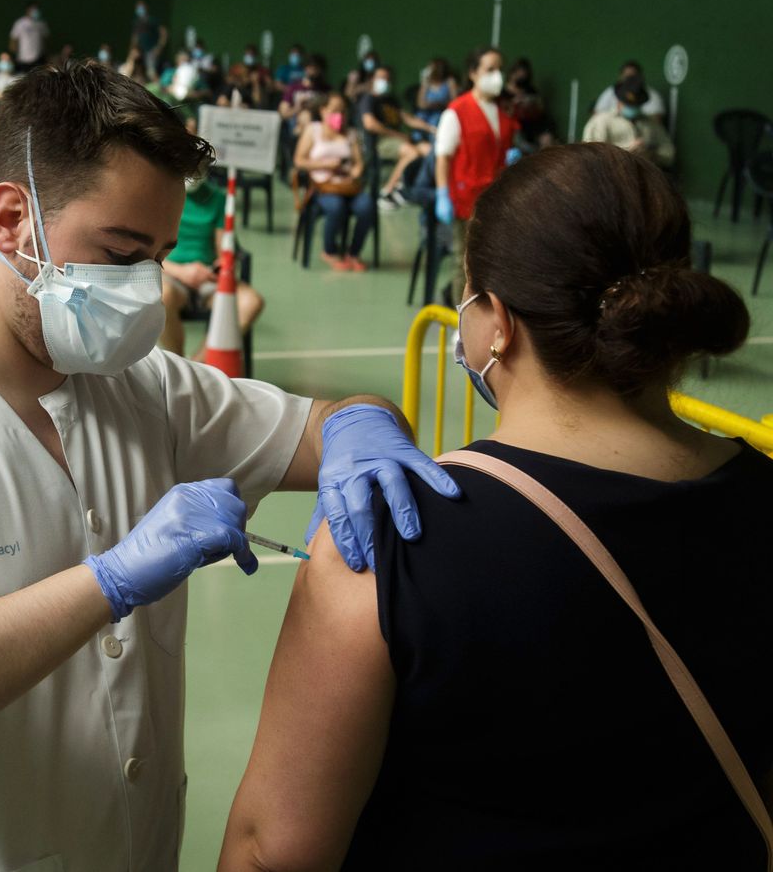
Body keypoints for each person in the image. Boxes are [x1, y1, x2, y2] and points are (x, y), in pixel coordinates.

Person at [0, 60, 460, 871]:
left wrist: (365, 422)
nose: (144, 287)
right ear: (12, 217)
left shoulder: (144, 388)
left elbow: (320, 425)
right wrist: (110, 580)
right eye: (120, 251)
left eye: (157, 256)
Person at [218, 143, 771, 871]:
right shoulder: (759, 489)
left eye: (468, 293)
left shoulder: (385, 545)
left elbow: (272, 851)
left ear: (497, 323)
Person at [435, 46, 518, 299]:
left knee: (493, 262)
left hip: (496, 197)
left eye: (500, 69)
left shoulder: (502, 114)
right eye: (490, 69)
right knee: (466, 262)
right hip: (466, 197)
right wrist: (442, 193)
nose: (497, 75)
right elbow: (443, 156)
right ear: (473, 73)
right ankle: (461, 325)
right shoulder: (456, 111)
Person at [160, 175, 264, 354]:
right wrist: (181, 272)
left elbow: (223, 248)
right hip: (169, 273)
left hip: (208, 277)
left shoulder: (218, 199)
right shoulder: (158, 194)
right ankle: (178, 368)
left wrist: (223, 264)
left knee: (251, 302)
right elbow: (145, 253)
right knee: (160, 297)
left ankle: (198, 368)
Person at [296, 91, 376, 271]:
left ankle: (353, 253)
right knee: (335, 206)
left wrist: (355, 172)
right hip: (322, 187)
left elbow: (358, 163)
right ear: (323, 110)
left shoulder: (351, 133)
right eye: (334, 110)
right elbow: (299, 160)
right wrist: (324, 164)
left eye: (342, 111)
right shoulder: (313, 130)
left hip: (348, 186)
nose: (338, 115)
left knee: (367, 206)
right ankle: (329, 251)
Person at [357, 65, 433, 209]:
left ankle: (412, 188)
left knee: (428, 149)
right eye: (381, 77)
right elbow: (370, 124)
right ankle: (387, 192)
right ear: (373, 79)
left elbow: (408, 118)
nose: (384, 81)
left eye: (387, 78)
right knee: (412, 152)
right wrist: (398, 135)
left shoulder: (391, 100)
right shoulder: (368, 99)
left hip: (398, 140)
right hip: (379, 142)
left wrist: (431, 128)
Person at [584, 75, 675, 169]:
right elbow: (589, 156)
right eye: (628, 104)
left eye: (636, 105)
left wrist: (651, 154)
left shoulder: (651, 124)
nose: (632, 108)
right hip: (610, 179)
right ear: (619, 102)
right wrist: (625, 153)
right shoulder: (601, 121)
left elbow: (669, 153)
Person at [504, 57, 556, 149]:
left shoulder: (530, 90)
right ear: (512, 73)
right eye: (519, 72)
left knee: (547, 139)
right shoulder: (503, 93)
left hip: (532, 125)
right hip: (515, 126)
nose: (522, 75)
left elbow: (540, 109)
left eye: (524, 73)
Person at [592, 60, 665, 118]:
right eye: (627, 76)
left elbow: (656, 120)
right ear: (620, 77)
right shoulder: (611, 91)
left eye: (633, 76)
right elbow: (596, 114)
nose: (630, 79)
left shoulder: (652, 95)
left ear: (640, 77)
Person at [414, 57, 459, 137]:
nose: (428, 69)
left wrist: (441, 105)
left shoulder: (450, 81)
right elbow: (420, 104)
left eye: (430, 67)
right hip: (426, 114)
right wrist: (430, 105)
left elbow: (455, 102)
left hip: (442, 114)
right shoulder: (426, 82)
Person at [129, 0, 169, 76]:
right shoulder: (136, 22)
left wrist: (158, 48)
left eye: (141, 7)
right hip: (139, 51)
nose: (140, 9)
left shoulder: (152, 20)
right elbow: (135, 38)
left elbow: (164, 33)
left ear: (146, 8)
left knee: (151, 72)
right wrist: (132, 50)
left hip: (150, 51)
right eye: (138, 7)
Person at [9, 0, 49, 72]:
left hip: (38, 59)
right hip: (22, 59)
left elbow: (45, 40)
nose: (35, 11)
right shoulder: (20, 23)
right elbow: (13, 40)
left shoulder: (41, 24)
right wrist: (14, 56)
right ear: (27, 10)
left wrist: (44, 55)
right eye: (33, 9)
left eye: (37, 9)